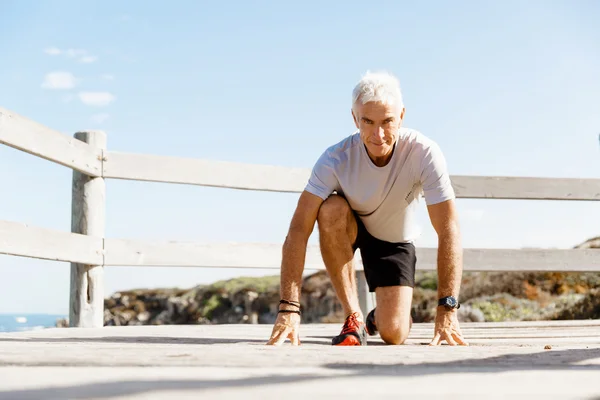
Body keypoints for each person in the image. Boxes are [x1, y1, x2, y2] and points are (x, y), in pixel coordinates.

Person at [266, 71, 468, 347]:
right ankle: (354, 315)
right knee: (330, 208)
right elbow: (298, 230)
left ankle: (378, 316)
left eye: (387, 121)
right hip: (348, 226)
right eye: (368, 122)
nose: (378, 134)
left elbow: (449, 229)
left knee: (394, 333)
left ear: (402, 116)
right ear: (354, 118)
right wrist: (288, 308)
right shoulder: (334, 159)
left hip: (394, 239)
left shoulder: (424, 153)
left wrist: (447, 310)